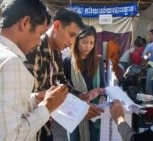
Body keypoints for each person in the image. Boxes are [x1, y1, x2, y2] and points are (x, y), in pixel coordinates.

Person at [0, 0, 69, 141]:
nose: (39, 42)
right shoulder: (9, 62)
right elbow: (6, 137)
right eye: (40, 34)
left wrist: (32, 99)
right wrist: (46, 108)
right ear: (25, 23)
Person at [24, 7, 104, 141]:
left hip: (46, 125)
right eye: (72, 35)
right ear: (57, 26)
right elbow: (32, 95)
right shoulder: (34, 48)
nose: (72, 42)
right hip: (30, 127)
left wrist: (81, 96)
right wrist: (79, 108)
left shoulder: (57, 54)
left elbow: (62, 84)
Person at [63, 25, 105, 141]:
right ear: (77, 41)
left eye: (92, 43)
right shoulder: (67, 62)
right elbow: (65, 89)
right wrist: (82, 104)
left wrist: (102, 99)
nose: (88, 47)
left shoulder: (98, 61)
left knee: (94, 137)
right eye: (85, 42)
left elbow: (102, 86)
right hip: (75, 111)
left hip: (94, 112)